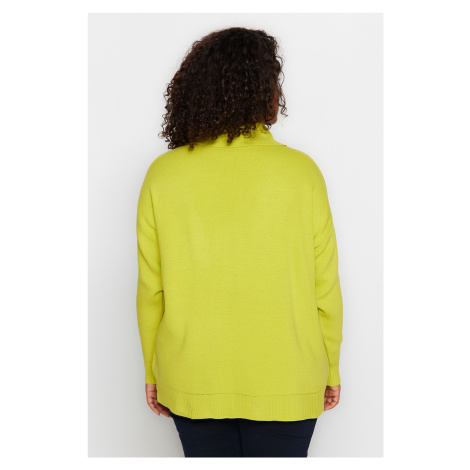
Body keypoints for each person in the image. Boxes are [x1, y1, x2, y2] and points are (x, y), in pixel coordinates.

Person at [136, 26, 343, 458]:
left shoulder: (163, 174)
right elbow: (324, 285)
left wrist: (153, 370)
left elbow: (151, 288)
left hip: (192, 375)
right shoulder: (302, 173)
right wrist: (331, 367)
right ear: (265, 91)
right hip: (288, 376)